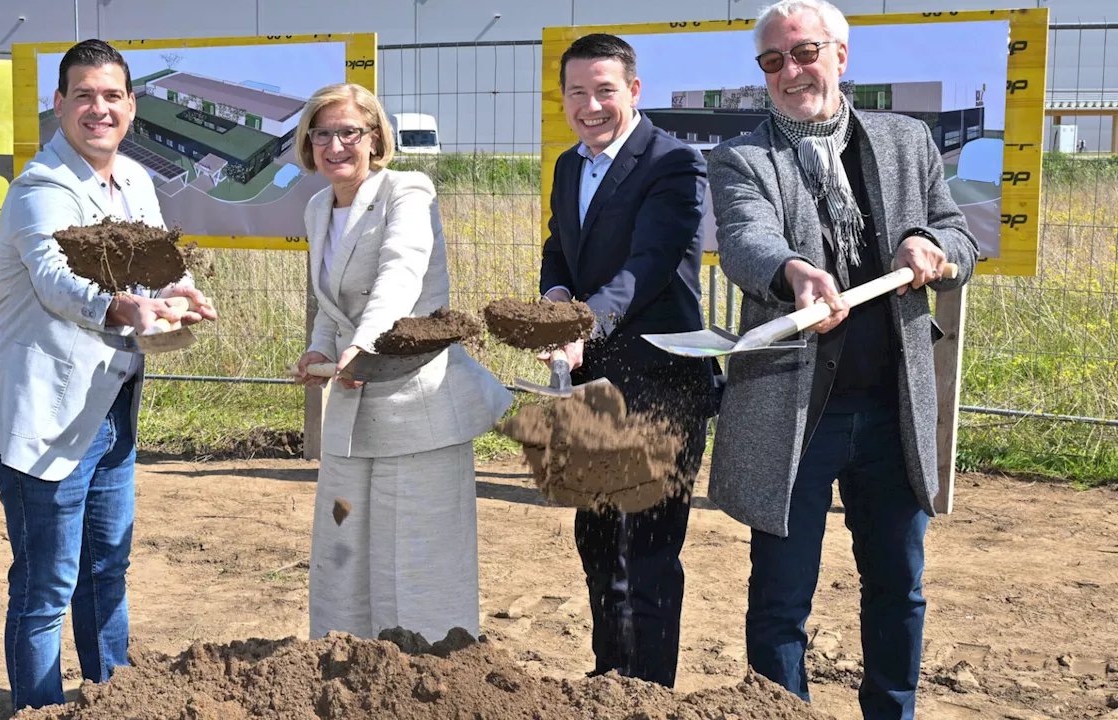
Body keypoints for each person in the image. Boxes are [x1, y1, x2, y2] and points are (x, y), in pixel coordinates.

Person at [705, 1, 978, 717]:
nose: (791, 71)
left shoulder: (906, 141)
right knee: (779, 599)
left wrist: (931, 245)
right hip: (795, 417)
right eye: (773, 61)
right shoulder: (744, 157)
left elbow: (958, 234)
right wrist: (796, 271)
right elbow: (744, 238)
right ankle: (783, 711)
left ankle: (893, 709)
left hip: (892, 411)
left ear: (842, 56)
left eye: (805, 53)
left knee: (897, 586)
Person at [0, 39, 215, 712]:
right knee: (48, 583)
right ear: (59, 104)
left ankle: (114, 700)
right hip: (42, 417)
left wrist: (182, 294)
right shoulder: (39, 191)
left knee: (106, 569)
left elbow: (161, 261)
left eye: (112, 96)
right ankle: (42, 708)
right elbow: (59, 283)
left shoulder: (135, 181)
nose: (98, 109)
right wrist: (123, 306)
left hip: (110, 408)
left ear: (131, 107)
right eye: (83, 95)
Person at [292, 83, 512, 644]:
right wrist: (321, 348)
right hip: (351, 407)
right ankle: (343, 664)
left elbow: (400, 271)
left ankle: (431, 675)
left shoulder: (407, 191)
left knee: (417, 554)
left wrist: (362, 344)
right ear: (309, 141)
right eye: (323, 133)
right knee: (343, 543)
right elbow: (329, 303)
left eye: (350, 132)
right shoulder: (319, 208)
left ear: (375, 138)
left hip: (419, 405)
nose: (336, 145)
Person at [538, 33, 718, 688]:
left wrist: (583, 322)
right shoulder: (566, 166)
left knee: (648, 552)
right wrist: (555, 294)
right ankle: (609, 683)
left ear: (634, 92)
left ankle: (649, 695)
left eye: (605, 90)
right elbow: (562, 248)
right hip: (593, 382)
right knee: (597, 539)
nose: (591, 106)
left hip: (662, 384)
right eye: (577, 92)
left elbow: (645, 268)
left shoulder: (671, 164)